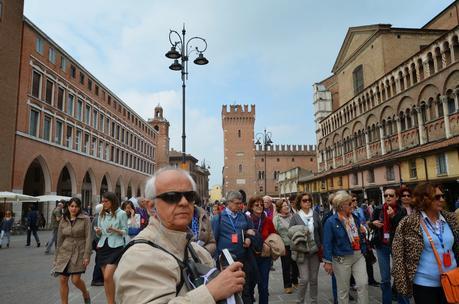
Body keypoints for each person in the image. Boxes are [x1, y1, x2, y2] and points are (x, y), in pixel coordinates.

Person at [114, 167, 245, 303]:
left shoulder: (197, 251)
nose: (183, 202)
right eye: (172, 197)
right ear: (151, 207)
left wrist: (228, 285)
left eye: (189, 196)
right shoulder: (138, 257)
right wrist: (211, 292)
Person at [393, 183, 459, 304]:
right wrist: (402, 285)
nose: (442, 200)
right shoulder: (408, 223)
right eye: (437, 197)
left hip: (452, 281)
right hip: (424, 285)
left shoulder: (451, 219)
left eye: (443, 196)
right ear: (424, 199)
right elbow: (398, 255)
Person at [323, 190, 368, 304]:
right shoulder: (331, 221)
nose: (353, 205)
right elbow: (327, 242)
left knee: (363, 284)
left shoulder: (355, 218)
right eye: (349, 203)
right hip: (341, 259)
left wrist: (363, 234)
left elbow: (359, 233)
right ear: (341, 206)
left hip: (358, 255)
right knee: (343, 290)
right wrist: (328, 261)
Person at [369, 187, 406, 304]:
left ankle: (401, 301)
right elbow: (371, 223)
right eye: (386, 196)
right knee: (385, 279)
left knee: (399, 276)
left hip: (397, 246)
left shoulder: (402, 211)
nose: (388, 197)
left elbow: (402, 228)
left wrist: (393, 217)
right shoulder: (378, 209)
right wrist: (373, 224)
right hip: (382, 246)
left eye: (391, 195)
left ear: (397, 197)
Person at [53, 197, 92, 304]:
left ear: (79, 207)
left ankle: (85, 292)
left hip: (79, 251)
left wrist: (87, 255)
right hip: (64, 252)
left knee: (75, 280)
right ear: (68, 207)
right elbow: (59, 239)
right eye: (72, 206)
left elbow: (89, 237)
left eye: (76, 206)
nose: (74, 209)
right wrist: (56, 257)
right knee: (63, 279)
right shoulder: (63, 219)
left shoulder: (85, 219)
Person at [94, 192, 128, 304]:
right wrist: (98, 232)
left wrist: (115, 230)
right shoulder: (101, 214)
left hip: (116, 247)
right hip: (103, 247)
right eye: (102, 201)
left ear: (112, 201)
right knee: (106, 279)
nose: (103, 204)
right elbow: (99, 234)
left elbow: (125, 232)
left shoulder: (121, 214)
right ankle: (111, 302)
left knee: (108, 276)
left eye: (106, 201)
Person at [289, 192, 322, 304]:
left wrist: (321, 247)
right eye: (304, 200)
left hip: (314, 252)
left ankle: (314, 301)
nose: (307, 202)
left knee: (313, 279)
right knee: (304, 279)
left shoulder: (316, 215)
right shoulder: (295, 217)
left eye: (309, 200)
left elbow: (320, 232)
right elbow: (291, 234)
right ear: (300, 203)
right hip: (301, 252)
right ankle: (300, 301)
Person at [246, 196, 276, 304]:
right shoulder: (247, 220)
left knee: (263, 287)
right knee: (250, 286)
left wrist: (269, 244)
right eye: (257, 205)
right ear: (251, 207)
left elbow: (274, 235)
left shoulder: (267, 220)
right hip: (251, 257)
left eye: (261, 205)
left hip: (264, 257)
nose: (260, 207)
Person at [273, 199, 299, 294]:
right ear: (280, 208)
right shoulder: (277, 218)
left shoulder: (292, 216)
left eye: (287, 205)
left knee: (295, 264)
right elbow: (274, 231)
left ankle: (295, 280)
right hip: (284, 245)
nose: (287, 207)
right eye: (284, 206)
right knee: (286, 265)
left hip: (294, 243)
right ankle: (287, 285)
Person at [90, 203, 104, 287]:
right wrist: (99, 242)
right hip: (97, 242)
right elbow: (96, 231)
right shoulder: (97, 218)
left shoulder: (97, 217)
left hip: (97, 241)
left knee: (99, 260)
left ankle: (100, 278)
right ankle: (96, 279)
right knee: (99, 261)